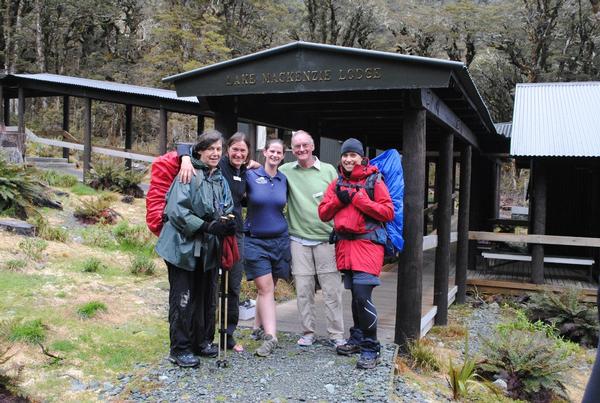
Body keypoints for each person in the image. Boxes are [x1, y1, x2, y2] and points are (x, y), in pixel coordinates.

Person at [155, 130, 235, 368]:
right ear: (199, 150)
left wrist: (226, 222)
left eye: (219, 149)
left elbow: (227, 205)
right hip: (182, 248)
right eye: (210, 148)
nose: (215, 153)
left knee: (205, 297)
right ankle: (179, 348)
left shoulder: (219, 177)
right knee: (183, 298)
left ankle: (201, 342)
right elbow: (177, 212)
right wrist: (206, 225)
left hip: (208, 248)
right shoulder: (188, 173)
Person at [318, 138, 394, 370]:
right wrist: (338, 202)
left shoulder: (374, 180)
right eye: (345, 155)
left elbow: (388, 211)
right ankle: (358, 337)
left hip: (367, 246)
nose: (349, 159)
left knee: (362, 295)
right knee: (355, 297)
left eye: (353, 155)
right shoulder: (337, 183)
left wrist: (360, 199)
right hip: (345, 247)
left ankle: (371, 348)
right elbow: (323, 213)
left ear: (361, 157)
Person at [179, 132, 255, 353]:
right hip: (210, 232)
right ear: (226, 149)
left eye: (243, 150)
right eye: (234, 149)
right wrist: (184, 157)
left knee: (232, 286)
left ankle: (227, 335)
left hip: (233, 233)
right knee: (211, 287)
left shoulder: (245, 172)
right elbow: (188, 146)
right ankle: (204, 336)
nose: (238, 154)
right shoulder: (215, 165)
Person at [279, 130, 345, 347]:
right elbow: (267, 174)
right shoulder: (285, 170)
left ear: (313, 146)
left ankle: (336, 335)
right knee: (303, 289)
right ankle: (308, 332)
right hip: (298, 239)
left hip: (326, 238)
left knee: (332, 290)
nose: (301, 150)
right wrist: (252, 164)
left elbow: (341, 201)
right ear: (292, 148)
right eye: (296, 146)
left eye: (305, 145)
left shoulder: (328, 171)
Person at [244, 138, 290, 357]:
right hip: (255, 239)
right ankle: (271, 337)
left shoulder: (283, 180)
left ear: (282, 156)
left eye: (279, 152)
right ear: (265, 152)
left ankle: (256, 328)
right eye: (272, 151)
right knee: (266, 288)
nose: (275, 155)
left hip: (279, 240)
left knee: (269, 287)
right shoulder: (250, 175)